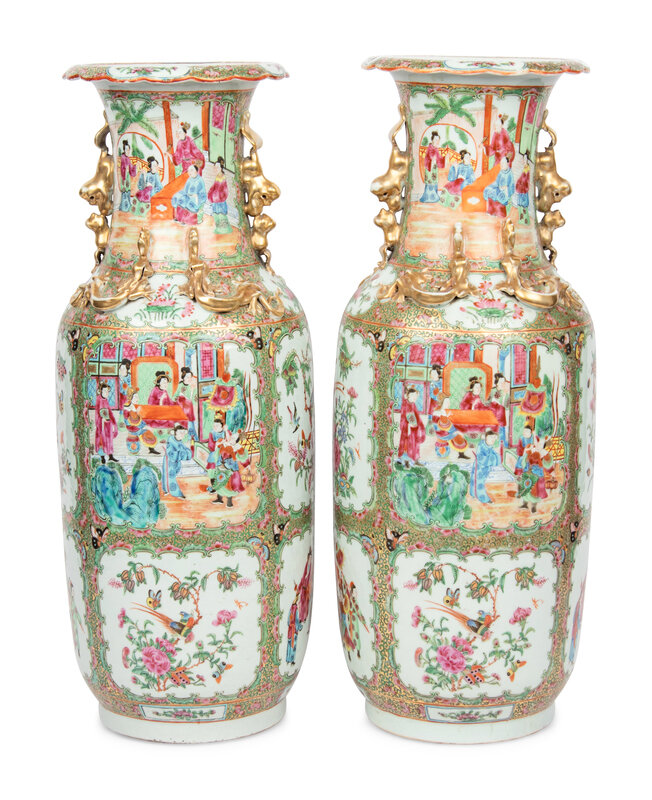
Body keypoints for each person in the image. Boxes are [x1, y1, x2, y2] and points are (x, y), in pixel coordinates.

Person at [212, 430, 251, 506]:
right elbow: (217, 451)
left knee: (228, 485)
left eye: (233, 439)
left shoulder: (237, 448)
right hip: (221, 467)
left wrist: (247, 465)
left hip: (230, 469)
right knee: (219, 482)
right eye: (231, 438)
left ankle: (229, 501)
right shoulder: (224, 444)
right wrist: (219, 444)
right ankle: (219, 498)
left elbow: (242, 457)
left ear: (236, 441)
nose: (231, 440)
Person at [162, 425, 193, 499]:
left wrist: (186, 453)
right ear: (175, 433)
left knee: (169, 476)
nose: (182, 434)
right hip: (169, 462)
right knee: (170, 476)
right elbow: (171, 454)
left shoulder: (180, 441)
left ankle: (166, 489)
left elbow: (185, 450)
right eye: (180, 433)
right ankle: (176, 493)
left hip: (176, 462)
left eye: (183, 433)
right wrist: (182, 453)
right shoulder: (171, 442)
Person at [470, 430, 501, 503]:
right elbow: (482, 458)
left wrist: (495, 457)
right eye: (490, 437)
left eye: (494, 438)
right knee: (479, 483)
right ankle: (484, 498)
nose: (492, 440)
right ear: (486, 438)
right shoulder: (482, 446)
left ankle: (473, 494)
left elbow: (496, 456)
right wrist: (494, 459)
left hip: (483, 468)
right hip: (479, 469)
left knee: (476, 481)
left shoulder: (489, 446)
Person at [398, 386, 425, 465]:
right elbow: (403, 417)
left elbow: (416, 416)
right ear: (408, 396)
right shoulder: (405, 405)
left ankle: (416, 460)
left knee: (415, 444)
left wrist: (420, 425)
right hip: (407, 429)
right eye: (413, 395)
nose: (415, 397)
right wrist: (407, 425)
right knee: (406, 445)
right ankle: (406, 461)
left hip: (414, 428)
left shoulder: (413, 404)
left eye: (415, 396)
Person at [95, 382, 118, 463]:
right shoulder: (99, 400)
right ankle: (102, 457)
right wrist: (101, 419)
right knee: (102, 441)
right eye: (105, 391)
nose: (106, 393)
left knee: (109, 440)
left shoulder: (106, 400)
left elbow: (109, 412)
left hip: (108, 424)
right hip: (101, 424)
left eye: (107, 391)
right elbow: (97, 413)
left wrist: (113, 422)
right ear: (101, 391)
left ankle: (110, 456)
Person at [208, 156, 231, 233]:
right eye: (215, 168)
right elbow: (214, 187)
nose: (215, 169)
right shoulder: (217, 176)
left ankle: (224, 229)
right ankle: (219, 228)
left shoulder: (222, 177)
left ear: (221, 168)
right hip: (216, 200)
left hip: (220, 201)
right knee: (216, 215)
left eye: (217, 168)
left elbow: (224, 190)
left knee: (221, 216)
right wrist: (210, 194)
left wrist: (218, 197)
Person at [420, 131, 445, 203]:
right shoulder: (430, 148)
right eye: (436, 140)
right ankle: (429, 198)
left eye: (438, 140)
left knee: (434, 182)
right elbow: (431, 157)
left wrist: (444, 158)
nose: (437, 141)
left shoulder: (436, 149)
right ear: (432, 140)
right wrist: (433, 159)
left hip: (434, 169)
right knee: (430, 182)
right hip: (430, 168)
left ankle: (434, 197)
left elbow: (439, 159)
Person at [174, 367, 198, 439]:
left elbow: (195, 400)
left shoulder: (193, 386)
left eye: (190, 377)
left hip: (189, 411)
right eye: (187, 377)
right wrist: (179, 398)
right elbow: (174, 397)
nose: (189, 378)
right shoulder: (180, 385)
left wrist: (193, 396)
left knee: (191, 426)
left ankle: (193, 439)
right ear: (183, 377)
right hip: (180, 410)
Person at [206, 415, 227, 494]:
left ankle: (220, 488)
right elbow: (210, 445)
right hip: (214, 454)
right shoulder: (212, 433)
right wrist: (217, 443)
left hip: (223, 454)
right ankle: (214, 487)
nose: (215, 427)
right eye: (214, 425)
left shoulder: (225, 433)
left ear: (222, 426)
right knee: (211, 471)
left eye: (217, 425)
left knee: (221, 471)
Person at [490, 373, 510, 448]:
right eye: (501, 382)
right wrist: (493, 402)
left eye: (504, 382)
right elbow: (487, 402)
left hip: (501, 414)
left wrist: (505, 396)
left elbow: (506, 407)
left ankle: (503, 444)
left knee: (502, 430)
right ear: (497, 382)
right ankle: (494, 444)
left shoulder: (506, 392)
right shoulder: (492, 391)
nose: (503, 384)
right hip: (492, 414)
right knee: (493, 431)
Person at [119, 141, 136, 212]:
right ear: (124, 150)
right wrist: (125, 171)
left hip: (127, 176)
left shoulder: (128, 159)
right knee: (125, 191)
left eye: (129, 149)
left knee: (128, 191)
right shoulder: (123, 157)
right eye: (126, 149)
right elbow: (122, 168)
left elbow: (131, 169)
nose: (128, 151)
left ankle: (127, 206)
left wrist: (135, 166)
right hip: (124, 177)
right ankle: (124, 207)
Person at [286, 593, 303, 665]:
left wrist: (290, 625)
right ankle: (291, 659)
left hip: (290, 630)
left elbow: (288, 621)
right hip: (294, 630)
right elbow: (296, 620)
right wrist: (299, 627)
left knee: (289, 644)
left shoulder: (291, 609)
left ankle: (288, 659)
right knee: (293, 645)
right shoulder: (295, 609)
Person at [514, 158, 531, 223]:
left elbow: (526, 180)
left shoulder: (527, 170)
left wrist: (521, 185)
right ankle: (522, 219)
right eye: (523, 160)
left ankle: (525, 219)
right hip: (521, 189)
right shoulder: (524, 169)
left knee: (523, 204)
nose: (523, 161)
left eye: (525, 160)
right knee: (520, 205)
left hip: (524, 189)